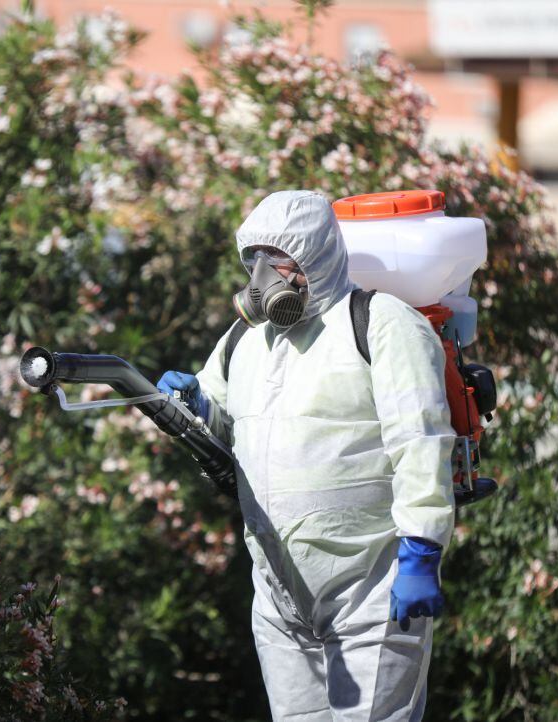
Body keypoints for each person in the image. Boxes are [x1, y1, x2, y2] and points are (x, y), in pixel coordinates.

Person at [157, 190, 456, 721]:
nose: (261, 277)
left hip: (371, 588)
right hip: (278, 597)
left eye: (279, 260)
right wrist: (197, 405)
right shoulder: (243, 342)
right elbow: (229, 433)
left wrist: (421, 551)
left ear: (316, 254)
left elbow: (421, 439)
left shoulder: (380, 322)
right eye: (254, 261)